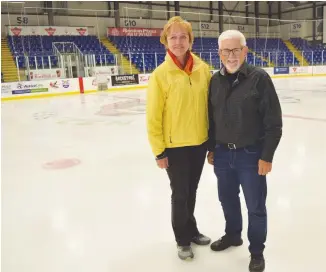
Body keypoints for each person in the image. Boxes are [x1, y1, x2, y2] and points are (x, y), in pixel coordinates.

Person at [207, 30, 282, 272]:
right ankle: (232, 235)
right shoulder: (214, 81)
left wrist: (266, 156)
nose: (231, 55)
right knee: (227, 199)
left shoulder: (259, 78)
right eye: (226, 51)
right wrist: (211, 148)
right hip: (222, 155)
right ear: (219, 53)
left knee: (256, 206)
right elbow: (212, 118)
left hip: (251, 156)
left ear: (245, 51)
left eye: (236, 50)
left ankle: (257, 251)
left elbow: (274, 123)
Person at [146, 16, 212, 260]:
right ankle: (182, 239)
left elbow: (210, 108)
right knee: (180, 194)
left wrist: (211, 143)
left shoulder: (203, 69)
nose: (178, 41)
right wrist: (159, 150)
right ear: (165, 41)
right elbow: (153, 116)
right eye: (172, 37)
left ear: (190, 40)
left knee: (192, 191)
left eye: (183, 36)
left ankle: (192, 230)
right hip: (174, 147)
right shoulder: (160, 75)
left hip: (199, 143)